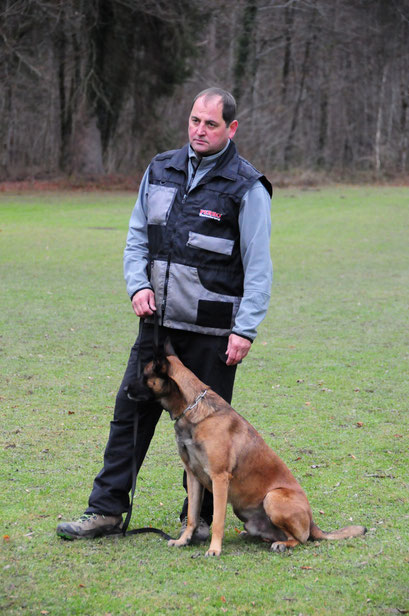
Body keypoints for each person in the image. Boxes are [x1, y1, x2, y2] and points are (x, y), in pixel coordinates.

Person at [57, 87, 273, 540]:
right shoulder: (160, 169)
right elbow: (137, 237)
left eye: (210, 124)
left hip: (214, 333)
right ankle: (106, 512)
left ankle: (192, 523)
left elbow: (259, 266)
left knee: (209, 432)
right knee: (128, 415)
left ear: (231, 129)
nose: (199, 130)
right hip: (158, 330)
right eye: (195, 120)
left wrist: (245, 329)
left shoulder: (247, 187)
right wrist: (137, 284)